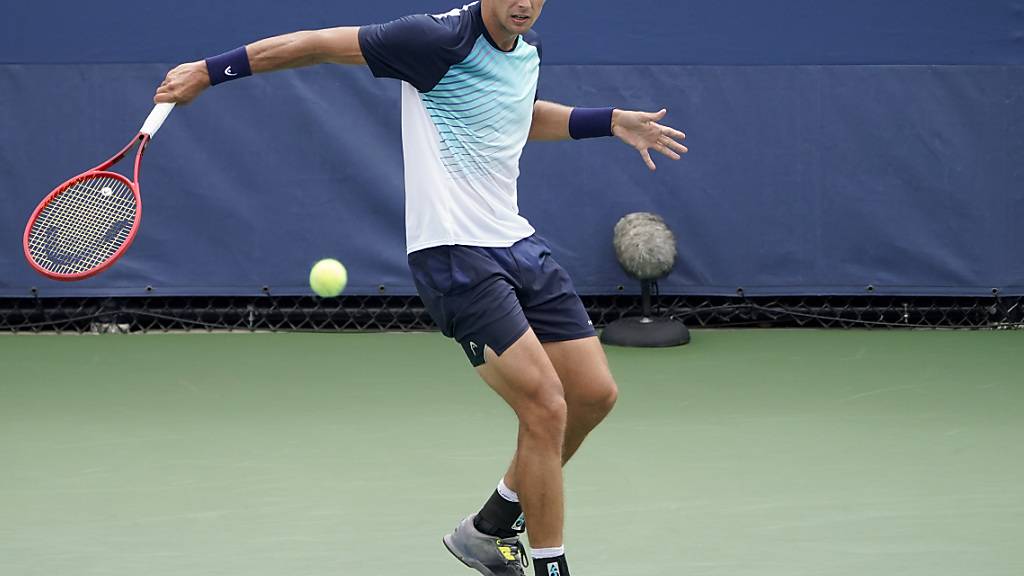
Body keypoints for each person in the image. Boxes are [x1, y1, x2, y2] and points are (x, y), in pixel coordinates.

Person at [155, 1, 687, 575]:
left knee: (592, 394)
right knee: (545, 406)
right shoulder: (432, 41)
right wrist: (209, 71)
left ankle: (487, 530)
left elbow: (516, 117)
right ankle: (552, 567)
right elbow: (314, 43)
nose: (523, 3)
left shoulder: (525, 52)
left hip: (516, 242)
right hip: (454, 254)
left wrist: (606, 120)